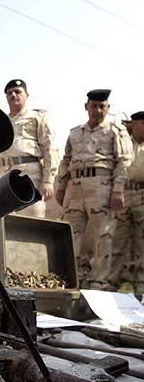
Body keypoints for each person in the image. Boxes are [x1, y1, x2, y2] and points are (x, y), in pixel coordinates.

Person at [55, 89, 133, 290]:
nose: (98, 110)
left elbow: (124, 162)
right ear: (86, 107)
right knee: (71, 236)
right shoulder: (75, 133)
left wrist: (118, 190)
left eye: (102, 106)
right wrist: (60, 186)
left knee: (102, 237)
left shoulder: (115, 131)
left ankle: (98, 283)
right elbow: (66, 161)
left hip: (102, 188)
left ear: (107, 108)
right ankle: (73, 280)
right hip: (75, 188)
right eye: (94, 106)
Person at [0, 79, 58, 217]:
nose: (13, 95)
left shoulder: (37, 117)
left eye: (18, 92)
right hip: (0, 178)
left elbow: (50, 149)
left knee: (30, 224)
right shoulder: (0, 122)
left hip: (29, 177)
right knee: (2, 224)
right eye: (9, 93)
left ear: (26, 95)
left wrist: (48, 180)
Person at [112, 111, 144, 292]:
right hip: (122, 194)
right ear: (134, 125)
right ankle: (110, 287)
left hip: (142, 195)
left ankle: (142, 289)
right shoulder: (123, 143)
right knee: (116, 241)